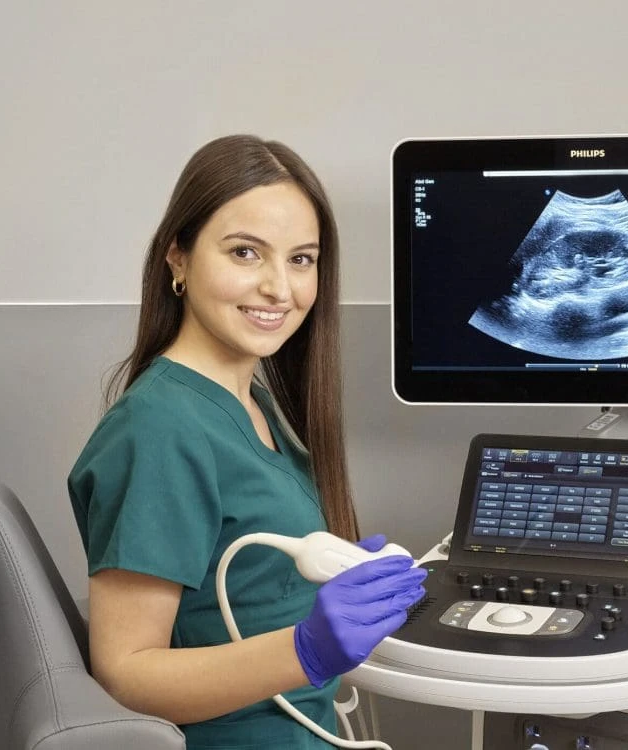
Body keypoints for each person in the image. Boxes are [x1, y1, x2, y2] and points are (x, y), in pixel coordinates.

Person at [67, 134, 427, 749]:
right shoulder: (160, 428)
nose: (279, 289)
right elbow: (126, 673)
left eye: (301, 259)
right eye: (245, 253)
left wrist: (335, 583)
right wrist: (305, 648)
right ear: (177, 258)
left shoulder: (250, 402)